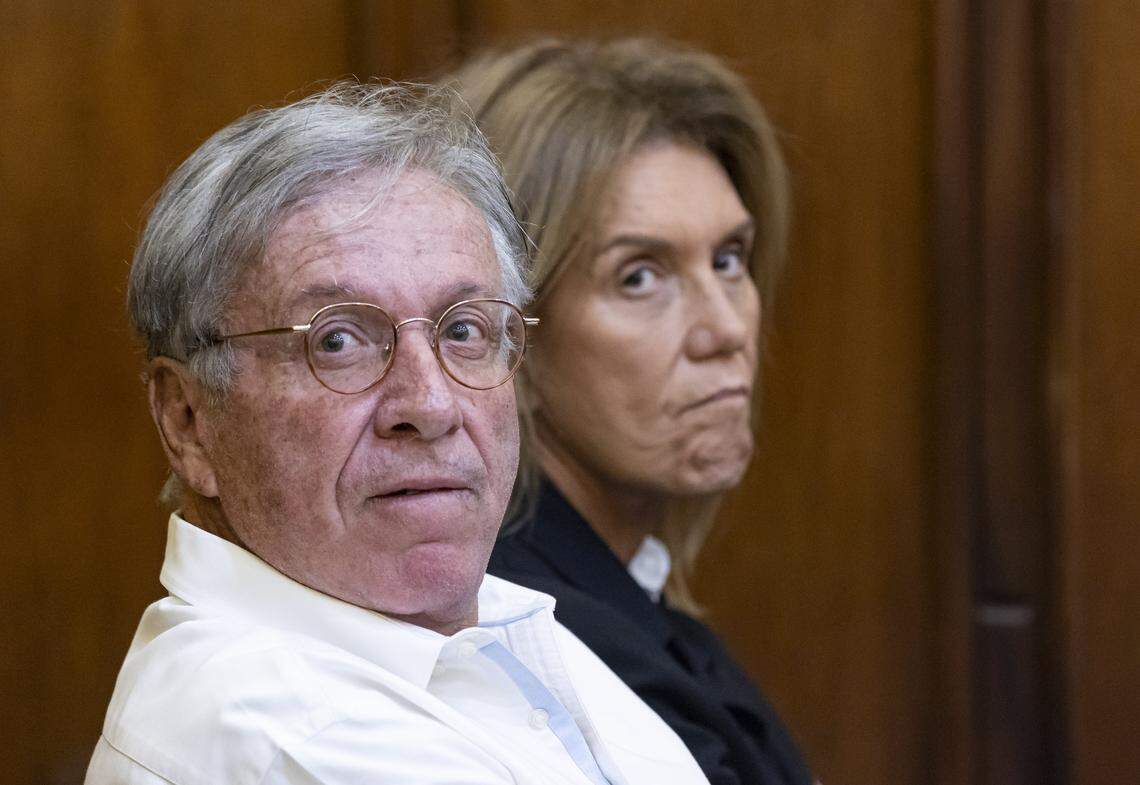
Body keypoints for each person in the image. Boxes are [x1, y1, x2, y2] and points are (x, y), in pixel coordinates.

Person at [85, 82, 711, 785]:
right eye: (338, 341)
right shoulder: (283, 736)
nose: (431, 402)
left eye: (465, 329)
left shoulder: (479, 616)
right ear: (188, 420)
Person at [445, 39, 814, 785]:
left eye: (729, 259)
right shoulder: (529, 648)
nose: (728, 329)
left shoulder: (622, 590)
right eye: (640, 276)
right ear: (504, 338)